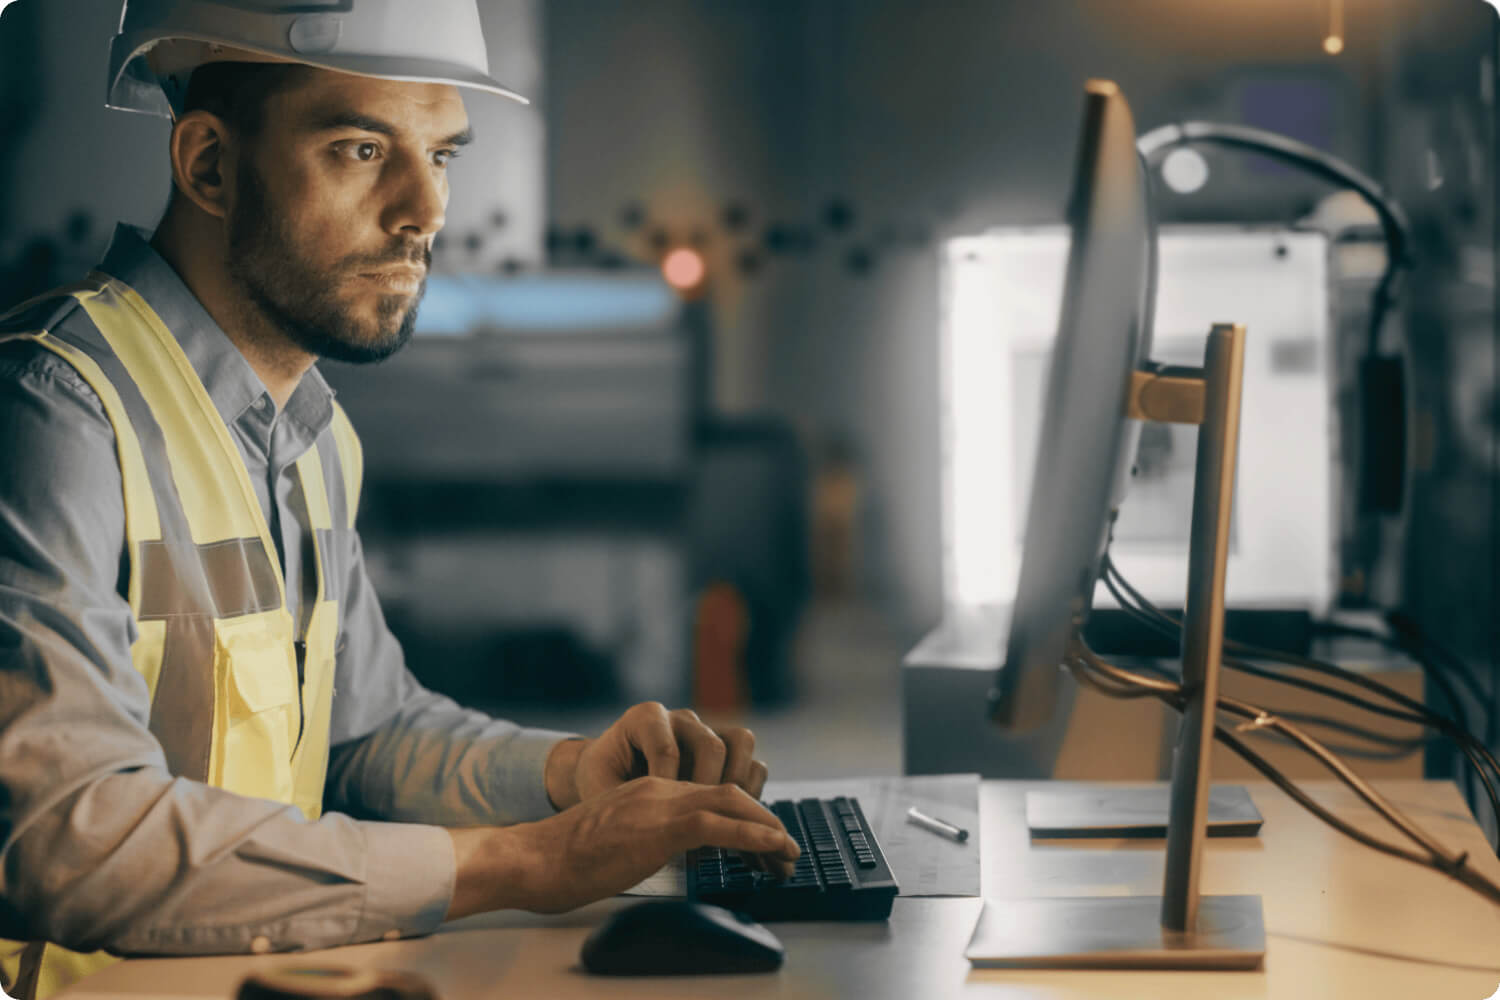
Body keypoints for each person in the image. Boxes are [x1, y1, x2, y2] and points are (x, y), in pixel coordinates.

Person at [0, 3, 798, 997]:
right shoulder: (54, 408)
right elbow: (71, 843)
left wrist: (571, 775)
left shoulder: (316, 437)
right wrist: (525, 862)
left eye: (443, 155)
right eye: (360, 148)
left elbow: (359, 734)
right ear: (208, 165)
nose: (424, 208)